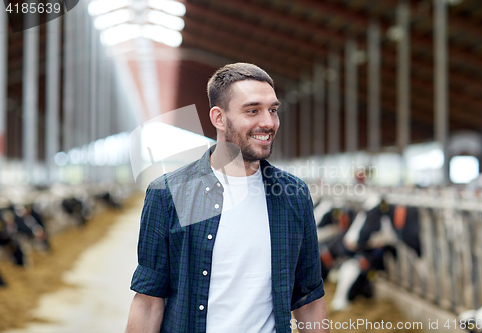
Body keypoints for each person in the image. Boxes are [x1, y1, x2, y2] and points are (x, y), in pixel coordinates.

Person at [125, 63, 329, 333]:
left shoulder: (294, 195)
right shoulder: (169, 193)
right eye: (252, 110)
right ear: (219, 118)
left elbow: (309, 299)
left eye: (273, 110)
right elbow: (149, 301)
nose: (268, 122)